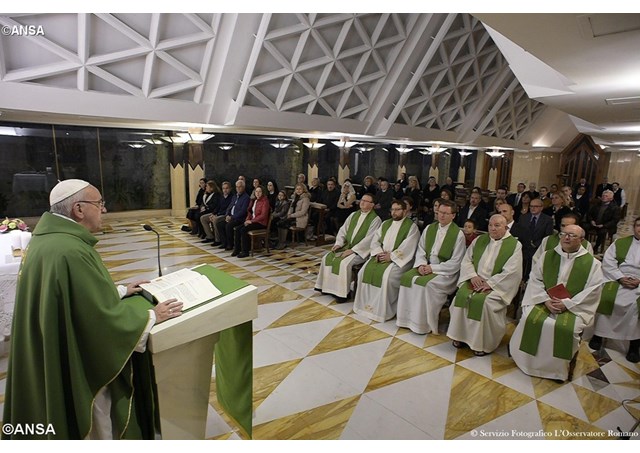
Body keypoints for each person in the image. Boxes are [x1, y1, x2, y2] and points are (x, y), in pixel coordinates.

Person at [2, 179, 183, 439]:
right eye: (99, 203)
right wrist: (152, 315)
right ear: (78, 209)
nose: (104, 210)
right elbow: (98, 321)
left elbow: (74, 296)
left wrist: (119, 290)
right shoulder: (69, 250)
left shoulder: (49, 240)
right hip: (81, 362)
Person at [510, 225, 603, 381]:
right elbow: (535, 279)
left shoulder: (592, 264)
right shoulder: (547, 256)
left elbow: (593, 290)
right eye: (564, 234)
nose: (566, 237)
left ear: (581, 240)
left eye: (572, 235)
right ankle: (527, 363)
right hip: (544, 301)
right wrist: (545, 299)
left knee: (565, 329)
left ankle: (557, 370)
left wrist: (567, 303)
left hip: (574, 307)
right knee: (528, 319)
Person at [447, 215, 522, 356]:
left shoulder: (514, 246)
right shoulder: (480, 240)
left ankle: (481, 343)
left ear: (506, 227)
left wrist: (490, 283)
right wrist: (472, 276)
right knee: (461, 296)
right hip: (474, 279)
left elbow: (512, 271)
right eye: (491, 225)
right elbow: (467, 259)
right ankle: (460, 337)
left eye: (497, 225)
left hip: (496, 286)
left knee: (484, 302)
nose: (493, 228)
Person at [396, 200, 465, 335]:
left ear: (453, 215)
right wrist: (421, 264)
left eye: (446, 213)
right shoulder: (429, 228)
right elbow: (420, 249)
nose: (442, 216)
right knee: (406, 278)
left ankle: (423, 324)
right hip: (425, 266)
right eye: (440, 212)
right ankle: (406, 319)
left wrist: (432, 268)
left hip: (445, 273)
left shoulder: (458, 234)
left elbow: (456, 262)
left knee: (426, 285)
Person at [353, 200, 420, 322]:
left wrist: (392, 257)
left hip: (400, 261)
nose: (394, 212)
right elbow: (375, 241)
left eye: (397, 209)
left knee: (387, 277)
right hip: (381, 255)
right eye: (392, 209)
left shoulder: (412, 227)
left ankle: (384, 311)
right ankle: (364, 307)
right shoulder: (385, 224)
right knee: (362, 272)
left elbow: (408, 246)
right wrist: (378, 252)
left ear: (405, 211)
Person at [589, 217, 640, 363]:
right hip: (618, 278)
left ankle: (634, 345)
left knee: (635, 307)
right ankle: (598, 335)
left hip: (638, 283)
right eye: (637, 225)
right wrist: (620, 277)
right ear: (634, 227)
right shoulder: (620, 243)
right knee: (607, 298)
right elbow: (609, 261)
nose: (639, 229)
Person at [315, 193, 381, 301]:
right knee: (326, 258)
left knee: (344, 263)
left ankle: (342, 294)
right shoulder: (353, 215)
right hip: (347, 246)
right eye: (362, 200)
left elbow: (370, 239)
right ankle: (327, 288)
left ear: (372, 205)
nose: (362, 202)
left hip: (361, 252)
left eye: (366, 201)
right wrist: (338, 243)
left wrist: (353, 251)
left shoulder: (375, 220)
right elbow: (343, 230)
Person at [233, 186, 270, 258]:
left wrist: (251, 221)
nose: (258, 193)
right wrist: (247, 220)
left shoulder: (265, 201)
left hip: (260, 223)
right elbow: (249, 212)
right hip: (253, 221)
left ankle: (245, 251)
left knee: (243, 230)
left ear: (263, 193)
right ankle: (237, 249)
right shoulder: (254, 200)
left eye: (260, 192)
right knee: (237, 229)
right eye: (256, 191)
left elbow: (263, 215)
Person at [216, 179, 250, 251]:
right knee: (220, 224)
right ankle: (224, 242)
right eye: (237, 187)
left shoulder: (246, 197)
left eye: (240, 187)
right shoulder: (235, 196)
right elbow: (230, 207)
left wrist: (232, 217)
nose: (238, 188)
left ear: (243, 187)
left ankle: (230, 244)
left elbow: (243, 211)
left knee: (228, 225)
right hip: (231, 217)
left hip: (239, 219)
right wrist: (227, 215)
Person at [275, 183, 310, 249]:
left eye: (300, 189)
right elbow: (291, 208)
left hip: (299, 219)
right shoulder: (295, 197)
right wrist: (289, 214)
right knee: (279, 222)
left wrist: (292, 215)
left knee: (283, 223)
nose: (298, 190)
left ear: (304, 190)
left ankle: (283, 243)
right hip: (292, 217)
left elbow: (303, 212)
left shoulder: (306, 199)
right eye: (297, 189)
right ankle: (280, 241)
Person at [587, 189, 621, 254]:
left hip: (605, 226)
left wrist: (603, 225)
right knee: (584, 226)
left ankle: (596, 247)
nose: (604, 197)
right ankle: (585, 244)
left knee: (602, 232)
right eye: (603, 195)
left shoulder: (615, 208)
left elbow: (614, 220)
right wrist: (591, 221)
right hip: (594, 224)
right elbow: (589, 214)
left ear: (611, 198)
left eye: (606, 196)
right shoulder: (597, 204)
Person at [201, 181, 233, 246]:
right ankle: (210, 236)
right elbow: (218, 207)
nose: (225, 190)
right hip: (218, 213)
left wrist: (216, 215)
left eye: (227, 188)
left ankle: (218, 240)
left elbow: (228, 209)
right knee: (203, 218)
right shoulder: (221, 197)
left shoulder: (232, 197)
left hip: (225, 215)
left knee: (215, 220)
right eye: (223, 188)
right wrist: (213, 213)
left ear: (230, 189)